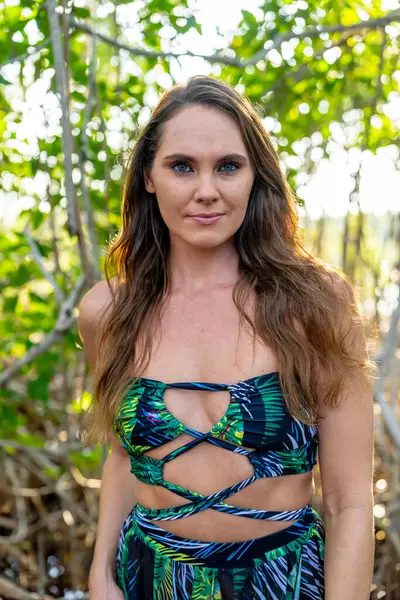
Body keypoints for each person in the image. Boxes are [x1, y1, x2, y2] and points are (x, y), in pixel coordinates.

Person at [78, 75, 376, 600]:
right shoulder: (109, 311)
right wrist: (101, 572)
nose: (207, 190)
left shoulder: (315, 305)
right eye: (182, 166)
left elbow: (349, 501)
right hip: (149, 577)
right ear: (148, 177)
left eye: (228, 166)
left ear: (255, 176)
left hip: (281, 580)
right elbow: (126, 456)